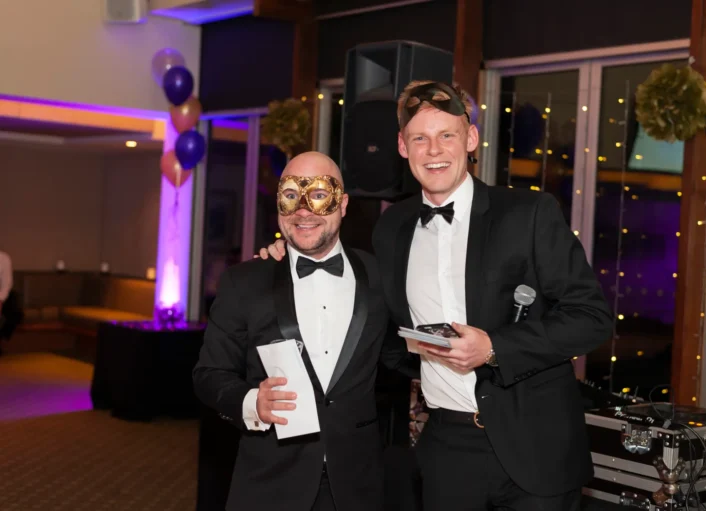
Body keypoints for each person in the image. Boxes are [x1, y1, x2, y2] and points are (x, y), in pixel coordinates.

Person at [259, 81, 613, 511]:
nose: (434, 150)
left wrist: (495, 348)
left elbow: (591, 317)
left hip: (535, 444)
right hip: (447, 447)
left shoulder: (529, 213)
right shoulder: (391, 229)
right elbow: (374, 314)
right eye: (420, 138)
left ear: (470, 138)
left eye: (446, 134)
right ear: (402, 147)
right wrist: (288, 254)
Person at [193, 152, 415, 511]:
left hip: (358, 486)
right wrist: (252, 402)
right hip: (270, 483)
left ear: (342, 204)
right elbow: (209, 374)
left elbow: (399, 354)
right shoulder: (245, 282)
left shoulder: (378, 276)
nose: (303, 210)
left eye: (319, 195)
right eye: (292, 195)